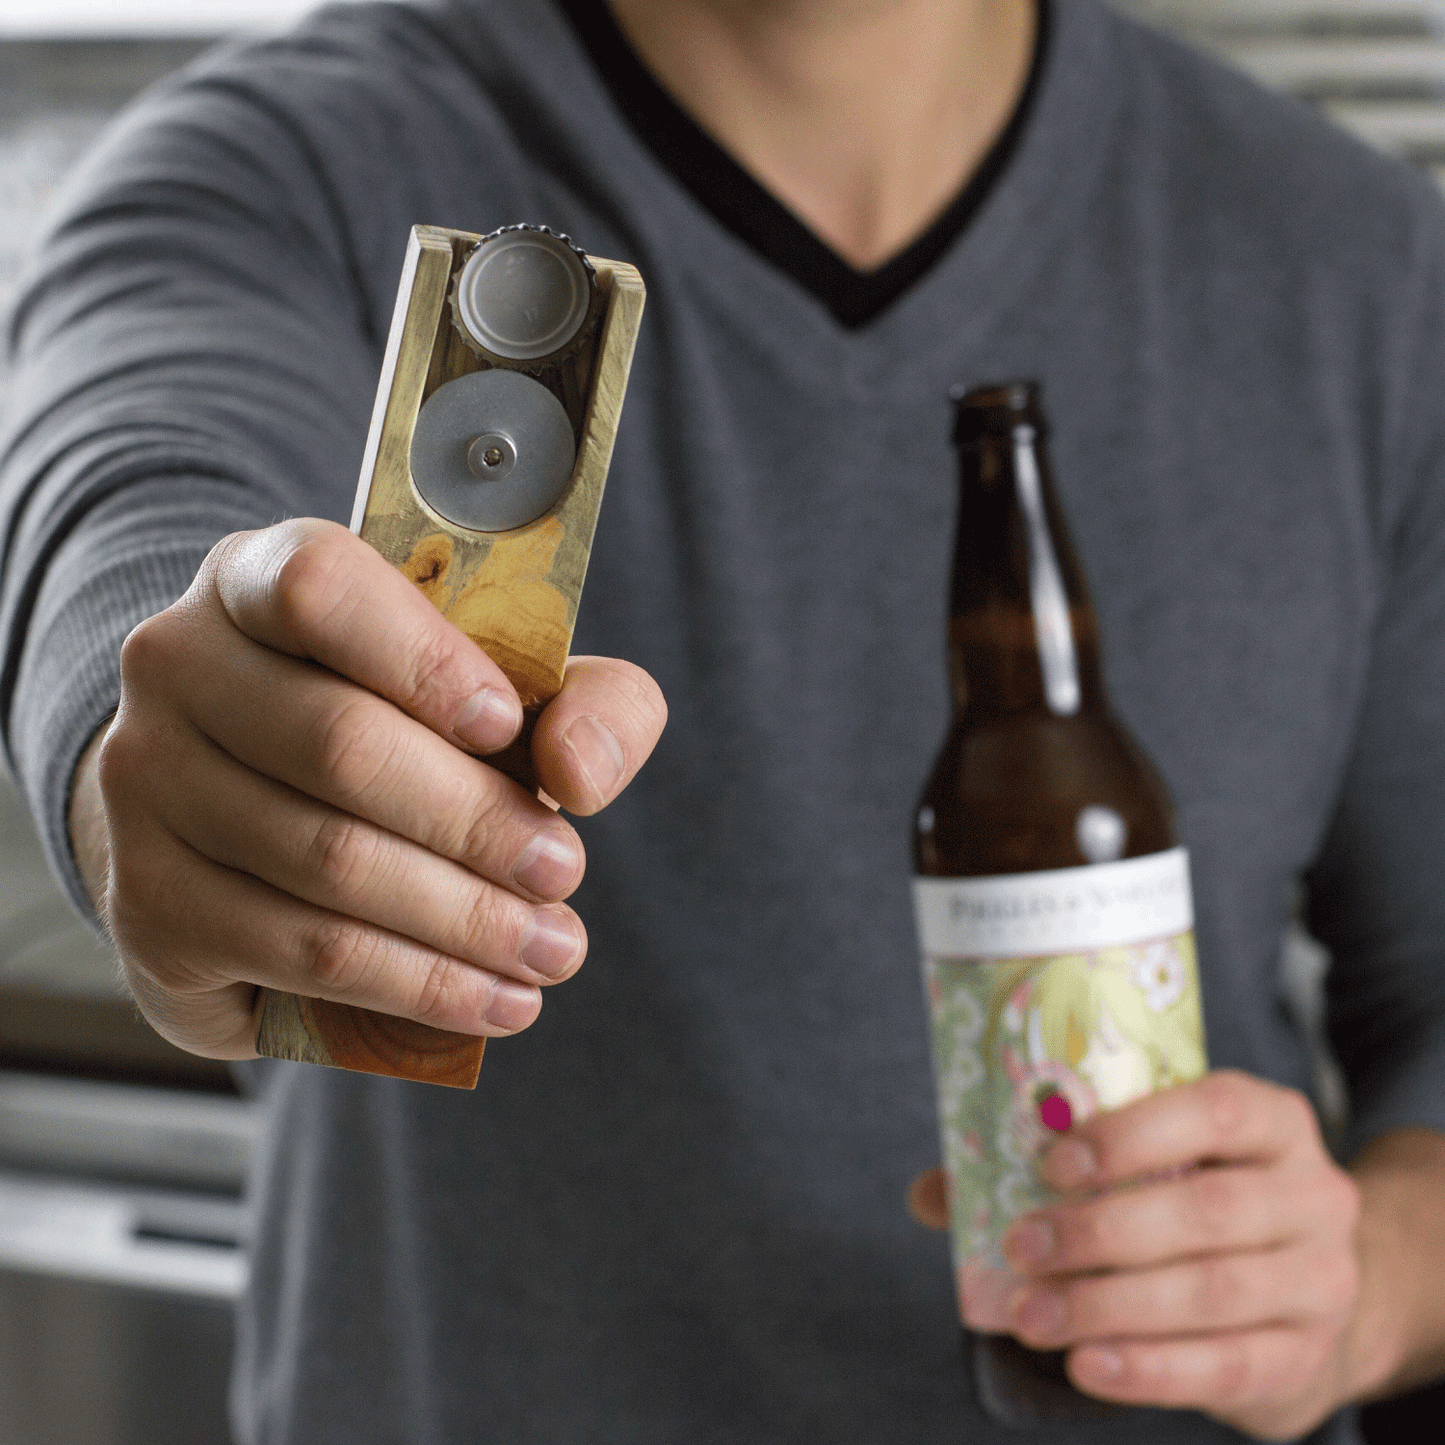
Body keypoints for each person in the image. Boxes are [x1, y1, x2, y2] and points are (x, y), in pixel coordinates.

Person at [3, 0, 1445, 1439]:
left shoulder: (1370, 268)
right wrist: (177, 764)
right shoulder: (275, 163)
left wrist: (1366, 1283)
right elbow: (125, 508)